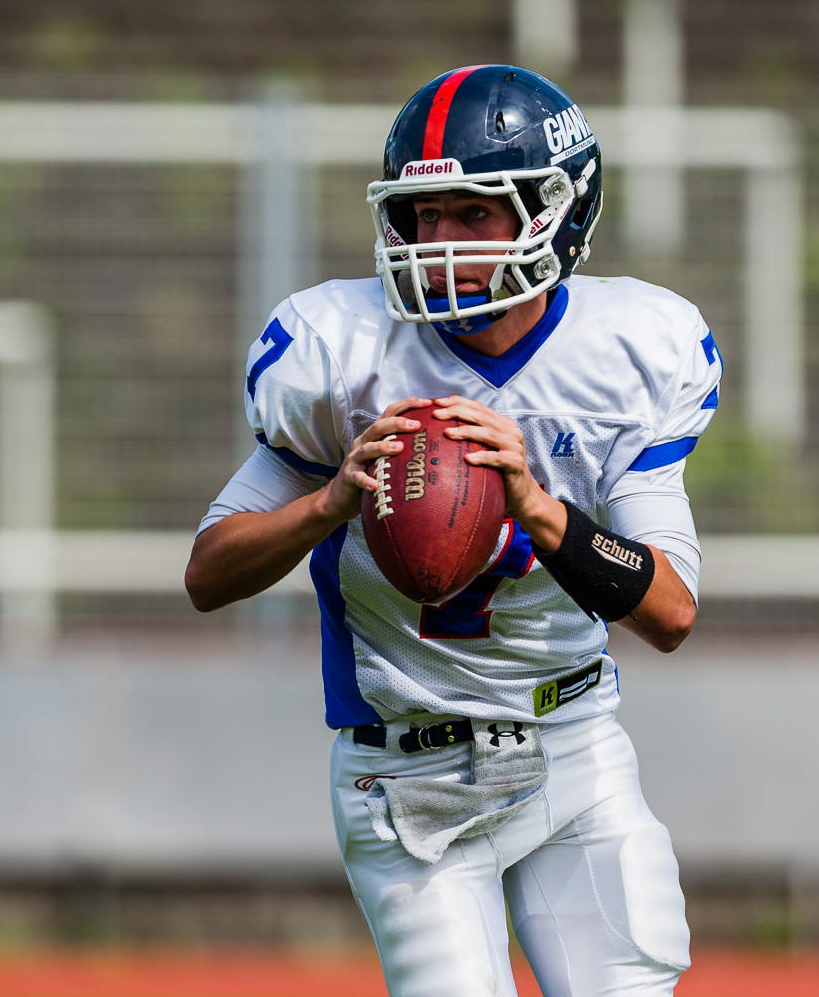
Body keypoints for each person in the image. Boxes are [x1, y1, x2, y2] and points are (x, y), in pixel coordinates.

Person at [187, 65, 719, 997]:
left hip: (574, 746)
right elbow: (207, 573)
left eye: (473, 213)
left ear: (556, 210)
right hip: (408, 783)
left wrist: (537, 507)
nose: (438, 241)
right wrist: (328, 504)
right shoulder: (341, 354)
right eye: (423, 214)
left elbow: (669, 612)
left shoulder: (630, 349)